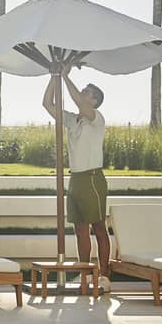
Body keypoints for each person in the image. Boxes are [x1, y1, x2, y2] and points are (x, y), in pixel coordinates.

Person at [42, 71, 109, 287]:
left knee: (98, 228)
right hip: (76, 180)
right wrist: (55, 77)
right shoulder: (73, 120)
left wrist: (65, 76)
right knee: (80, 229)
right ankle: (85, 274)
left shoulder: (96, 118)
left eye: (87, 92)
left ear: (94, 101)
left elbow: (78, 101)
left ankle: (104, 276)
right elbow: (47, 103)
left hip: (92, 178)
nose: (83, 92)